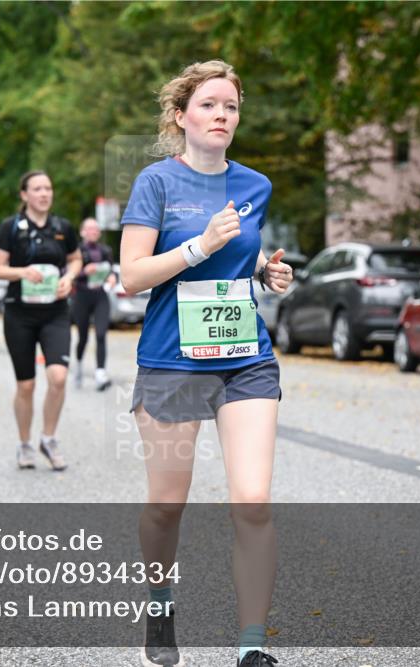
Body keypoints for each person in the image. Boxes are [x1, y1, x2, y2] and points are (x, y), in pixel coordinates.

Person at [119, 61, 292, 667]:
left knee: (253, 501)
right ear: (181, 117)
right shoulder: (156, 183)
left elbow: (242, 264)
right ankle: (160, 602)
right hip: (171, 360)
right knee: (168, 505)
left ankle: (251, 647)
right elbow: (131, 277)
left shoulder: (255, 186)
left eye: (232, 107)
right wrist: (198, 246)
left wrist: (267, 275)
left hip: (244, 357)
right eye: (210, 105)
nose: (222, 116)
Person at [0, 171, 82, 471]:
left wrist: (69, 277)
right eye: (37, 189)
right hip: (20, 313)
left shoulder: (62, 227)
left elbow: (75, 259)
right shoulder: (10, 228)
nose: (44, 193)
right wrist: (22, 272)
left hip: (55, 312)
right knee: (26, 385)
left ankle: (49, 438)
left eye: (48, 188)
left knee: (58, 377)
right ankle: (25, 444)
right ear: (24, 194)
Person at [72, 217, 116, 391]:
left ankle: (100, 373)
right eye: (89, 229)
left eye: (96, 229)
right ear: (82, 232)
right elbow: (66, 272)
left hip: (100, 295)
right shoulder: (76, 250)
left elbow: (111, 270)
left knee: (101, 334)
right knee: (83, 336)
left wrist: (112, 277)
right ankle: (79, 367)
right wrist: (83, 271)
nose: (93, 232)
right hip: (81, 296)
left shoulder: (105, 250)